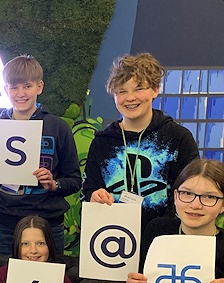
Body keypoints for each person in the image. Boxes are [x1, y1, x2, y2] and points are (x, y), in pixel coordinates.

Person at [0, 55, 80, 256]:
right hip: (0, 223)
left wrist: (54, 184)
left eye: (27, 86)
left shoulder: (58, 127)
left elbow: (74, 180)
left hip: (46, 223)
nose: (20, 93)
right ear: (6, 90)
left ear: (39, 87)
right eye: (14, 87)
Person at [83, 53, 198, 233]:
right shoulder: (102, 142)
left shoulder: (179, 138)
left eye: (138, 89)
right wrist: (94, 196)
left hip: (165, 239)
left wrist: (159, 231)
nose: (130, 98)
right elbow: (89, 190)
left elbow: (189, 193)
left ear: (155, 89)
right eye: (121, 91)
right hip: (112, 238)